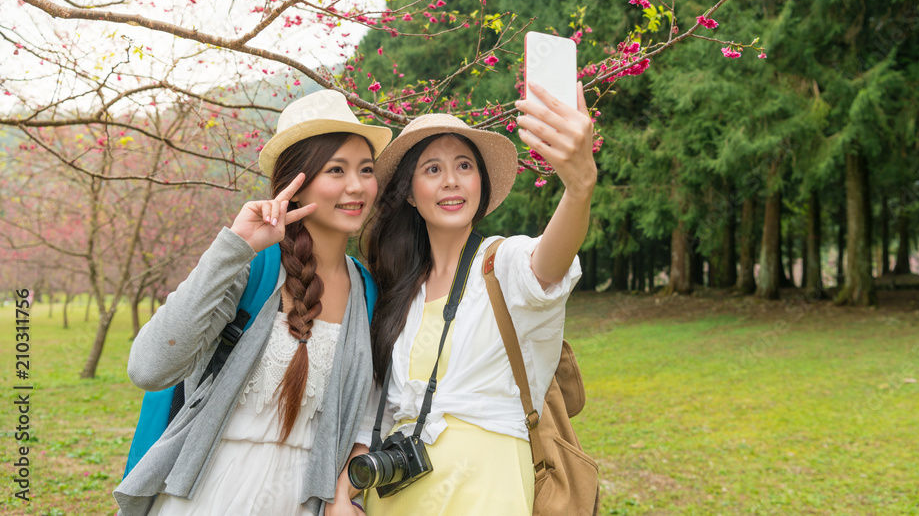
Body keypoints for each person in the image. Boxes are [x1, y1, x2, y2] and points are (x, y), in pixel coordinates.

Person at [114, 91, 391, 516]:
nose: (356, 186)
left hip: (302, 499)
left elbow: (366, 414)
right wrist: (233, 247)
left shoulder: (368, 292)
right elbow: (149, 367)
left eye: (366, 170)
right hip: (208, 491)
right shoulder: (250, 267)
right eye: (336, 170)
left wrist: (341, 493)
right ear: (296, 185)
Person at [359, 82, 597, 515]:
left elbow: (548, 262)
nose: (451, 181)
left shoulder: (501, 264)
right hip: (394, 498)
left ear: (480, 183)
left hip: (485, 491)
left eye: (464, 166)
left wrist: (579, 188)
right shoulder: (396, 293)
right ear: (410, 193)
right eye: (432, 169)